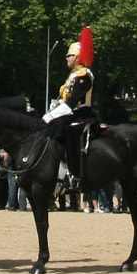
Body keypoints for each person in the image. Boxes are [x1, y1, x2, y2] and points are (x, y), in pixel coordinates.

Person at [42, 27, 100, 177]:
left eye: (69, 55)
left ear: (77, 57)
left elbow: (73, 102)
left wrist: (51, 115)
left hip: (82, 114)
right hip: (71, 113)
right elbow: (65, 99)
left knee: (68, 131)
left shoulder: (83, 75)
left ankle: (74, 173)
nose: (66, 58)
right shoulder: (73, 76)